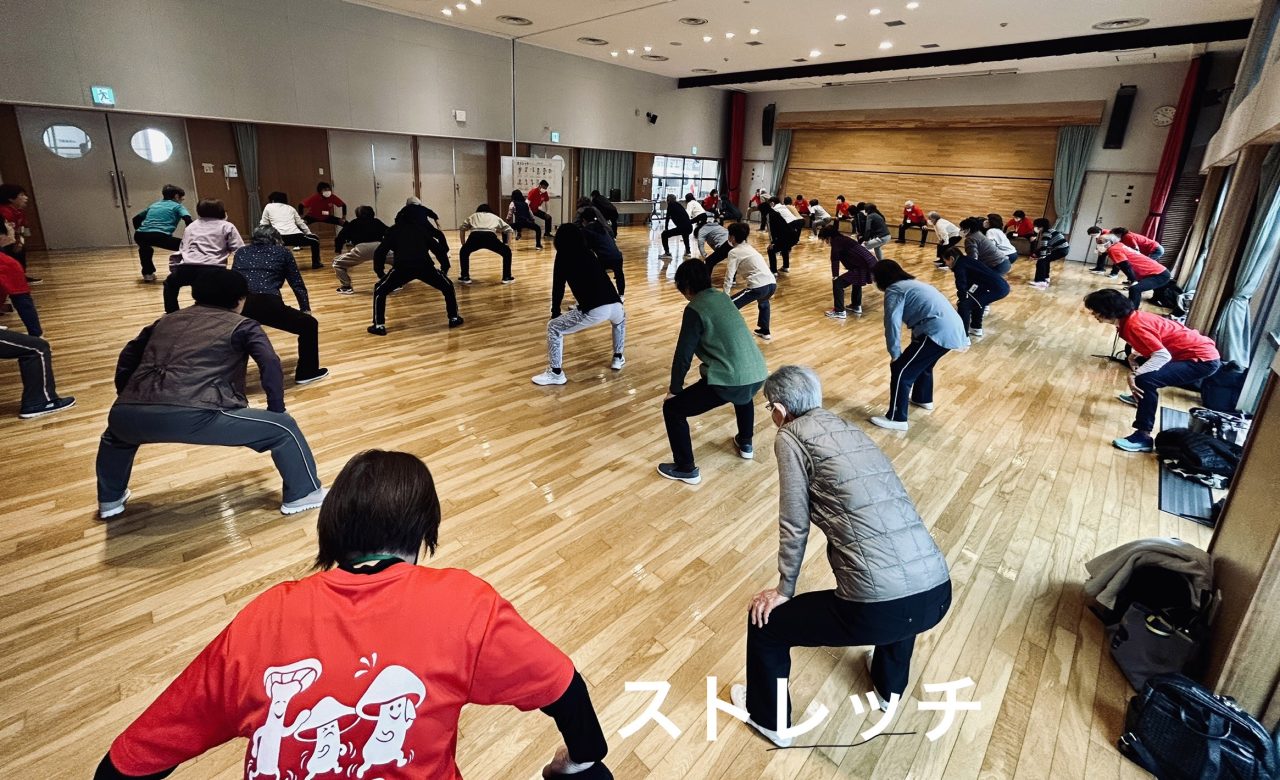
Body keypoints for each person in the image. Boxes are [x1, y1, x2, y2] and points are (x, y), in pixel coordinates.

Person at [94, 449, 613, 780]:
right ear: (423, 532)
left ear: (333, 529)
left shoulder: (262, 617)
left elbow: (125, 766)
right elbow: (566, 690)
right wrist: (576, 763)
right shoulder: (464, 605)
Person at [733, 365, 951, 747]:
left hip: (878, 610)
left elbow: (794, 521)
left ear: (780, 410)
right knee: (900, 582)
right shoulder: (848, 428)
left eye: (770, 410)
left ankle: (770, 720)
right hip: (937, 591)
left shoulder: (790, 436)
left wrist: (784, 590)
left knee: (766, 624)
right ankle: (889, 687)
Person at [95, 268, 326, 519]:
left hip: (126, 413)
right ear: (240, 300)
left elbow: (128, 355)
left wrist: (128, 396)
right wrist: (276, 409)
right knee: (284, 428)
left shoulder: (165, 320)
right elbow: (270, 362)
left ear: (196, 294)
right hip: (197, 413)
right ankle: (304, 493)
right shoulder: (244, 324)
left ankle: (110, 500)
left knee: (115, 438)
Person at [659, 259, 768, 485]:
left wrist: (675, 389)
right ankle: (745, 443)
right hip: (757, 372)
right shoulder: (722, 297)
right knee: (743, 394)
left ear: (686, 286)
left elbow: (683, 355)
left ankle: (686, 468)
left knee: (672, 409)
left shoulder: (695, 308)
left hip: (730, 379)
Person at [1084, 289, 1221, 453]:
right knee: (1141, 367)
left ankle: (1143, 436)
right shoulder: (1131, 319)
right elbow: (1158, 340)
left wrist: (1133, 375)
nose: (1093, 314)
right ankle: (1140, 397)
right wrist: (1135, 355)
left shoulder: (1134, 325)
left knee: (1145, 380)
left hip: (1202, 360)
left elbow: (1162, 355)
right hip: (1190, 354)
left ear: (1108, 310)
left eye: (1095, 310)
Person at [870, 260, 968, 431]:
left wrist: (895, 354)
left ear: (881, 277)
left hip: (936, 330)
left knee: (901, 370)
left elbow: (892, 323)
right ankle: (922, 398)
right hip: (952, 329)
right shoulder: (912, 284)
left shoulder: (894, 290)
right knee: (923, 364)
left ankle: (897, 418)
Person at [233, 225, 329, 385]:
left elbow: (234, 279)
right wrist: (305, 309)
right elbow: (297, 283)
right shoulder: (282, 252)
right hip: (267, 302)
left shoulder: (241, 251)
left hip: (238, 303)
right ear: (276, 238)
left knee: (238, 337)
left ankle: (230, 378)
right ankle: (307, 372)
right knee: (309, 325)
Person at [532, 224, 626, 386]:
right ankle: (618, 357)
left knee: (553, 327)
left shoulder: (563, 255)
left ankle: (556, 373)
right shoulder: (589, 252)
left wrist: (555, 312)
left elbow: (558, 287)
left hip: (596, 308)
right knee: (620, 322)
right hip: (616, 304)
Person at [0, 223, 74, 418]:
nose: (11, 227)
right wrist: (36, 334)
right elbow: (23, 303)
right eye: (7, 226)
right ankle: (40, 402)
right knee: (37, 348)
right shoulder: (5, 263)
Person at [369, 206, 462, 335]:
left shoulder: (394, 230)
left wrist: (380, 272)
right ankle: (454, 318)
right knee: (448, 286)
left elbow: (380, 252)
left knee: (380, 290)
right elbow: (438, 249)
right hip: (425, 266)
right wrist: (445, 267)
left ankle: (379, 326)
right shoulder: (422, 229)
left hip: (402, 268)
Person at [163, 198, 245, 313]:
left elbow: (183, 248)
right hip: (213, 269)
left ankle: (171, 312)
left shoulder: (191, 226)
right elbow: (240, 250)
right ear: (221, 210)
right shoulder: (226, 226)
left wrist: (175, 267)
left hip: (188, 267)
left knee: (170, 284)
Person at [723, 222, 777, 342]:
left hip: (758, 286)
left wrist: (725, 295)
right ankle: (765, 331)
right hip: (772, 284)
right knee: (764, 303)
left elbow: (729, 276)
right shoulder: (750, 248)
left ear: (732, 237)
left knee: (728, 306)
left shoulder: (734, 252)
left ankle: (738, 335)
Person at [943, 245, 1009, 338]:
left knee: (964, 306)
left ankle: (963, 337)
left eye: (945, 261)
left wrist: (962, 299)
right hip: (997, 286)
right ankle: (975, 328)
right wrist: (967, 295)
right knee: (976, 301)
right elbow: (970, 282)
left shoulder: (959, 266)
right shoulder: (966, 260)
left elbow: (961, 284)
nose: (946, 264)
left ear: (951, 258)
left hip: (996, 289)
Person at [132, 184, 192, 282]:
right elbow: (188, 220)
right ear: (176, 196)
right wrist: (190, 238)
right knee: (188, 247)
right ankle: (186, 272)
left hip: (140, 235)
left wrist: (142, 231)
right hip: (159, 236)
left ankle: (148, 274)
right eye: (182, 197)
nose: (183, 199)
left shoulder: (154, 205)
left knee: (145, 249)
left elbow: (135, 219)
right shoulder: (178, 206)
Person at [1098, 233, 1173, 309]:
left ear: (1110, 242)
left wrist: (1133, 280)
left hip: (1159, 274)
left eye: (1101, 242)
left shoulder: (1113, 249)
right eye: (1098, 242)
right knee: (1160, 292)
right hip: (1157, 272)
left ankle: (1132, 311)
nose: (1099, 244)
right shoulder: (1118, 245)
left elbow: (1125, 266)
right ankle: (1158, 300)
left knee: (1135, 289)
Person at [821, 223, 877, 319]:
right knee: (856, 280)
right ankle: (856, 305)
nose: (825, 242)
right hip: (870, 262)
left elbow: (835, 260)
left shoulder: (836, 242)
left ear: (829, 237)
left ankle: (839, 311)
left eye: (824, 239)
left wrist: (835, 276)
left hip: (863, 265)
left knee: (838, 283)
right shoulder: (844, 239)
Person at [333, 205, 390, 294]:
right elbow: (389, 233)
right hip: (379, 247)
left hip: (361, 249)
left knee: (337, 263)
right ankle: (392, 283)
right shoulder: (377, 221)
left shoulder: (353, 223)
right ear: (372, 213)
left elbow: (340, 238)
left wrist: (338, 250)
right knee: (398, 261)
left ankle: (346, 287)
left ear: (357, 214)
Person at [261, 191, 322, 269]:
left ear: (272, 200)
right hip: (296, 236)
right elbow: (300, 223)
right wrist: (309, 233)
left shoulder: (268, 206)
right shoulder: (291, 208)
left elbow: (264, 224)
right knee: (315, 241)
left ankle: (273, 265)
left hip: (279, 237)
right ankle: (316, 263)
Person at [458, 204, 515, 285]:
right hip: (490, 236)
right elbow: (509, 230)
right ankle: (507, 277)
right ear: (489, 210)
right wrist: (508, 245)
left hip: (475, 236)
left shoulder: (474, 216)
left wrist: (463, 244)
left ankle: (465, 277)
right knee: (507, 252)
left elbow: (462, 228)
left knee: (463, 252)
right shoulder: (494, 216)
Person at [579, 209, 625, 296]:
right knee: (619, 275)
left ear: (584, 220)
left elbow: (587, 248)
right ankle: (621, 295)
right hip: (618, 256)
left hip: (605, 257)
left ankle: (592, 295)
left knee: (591, 273)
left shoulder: (587, 230)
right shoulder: (601, 226)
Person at [0, 183, 38, 282]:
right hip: (5, 240)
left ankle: (20, 275)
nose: (26, 198)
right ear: (10, 199)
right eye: (21, 195)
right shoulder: (4, 212)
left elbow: (22, 228)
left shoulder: (19, 212)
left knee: (20, 251)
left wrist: (20, 242)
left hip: (13, 238)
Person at [1029, 218, 1070, 289]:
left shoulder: (1046, 233)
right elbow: (1046, 246)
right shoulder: (1050, 231)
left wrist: (1041, 256)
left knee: (1041, 261)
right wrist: (1037, 254)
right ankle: (1046, 278)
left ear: (1041, 226)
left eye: (1035, 226)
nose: (1035, 227)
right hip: (1063, 249)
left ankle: (1040, 281)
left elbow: (1044, 247)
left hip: (1061, 250)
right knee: (1045, 260)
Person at [766, 197, 802, 274]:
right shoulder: (784, 207)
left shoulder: (774, 210)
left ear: (772, 203)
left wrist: (773, 242)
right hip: (795, 231)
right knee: (785, 247)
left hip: (788, 231)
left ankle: (773, 271)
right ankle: (786, 267)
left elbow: (773, 229)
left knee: (771, 249)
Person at [659, 194, 693, 259]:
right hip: (689, 227)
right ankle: (688, 252)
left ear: (668, 200)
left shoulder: (670, 205)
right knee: (685, 234)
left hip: (683, 227)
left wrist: (666, 229)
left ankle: (667, 254)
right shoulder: (679, 205)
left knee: (664, 234)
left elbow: (667, 218)